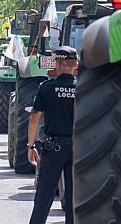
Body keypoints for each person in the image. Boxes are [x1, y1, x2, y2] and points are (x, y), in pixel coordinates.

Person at [27, 46, 78, 224]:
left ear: (57, 64)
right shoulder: (84, 88)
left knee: (43, 198)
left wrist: (31, 146)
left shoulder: (47, 88)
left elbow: (34, 118)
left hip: (53, 148)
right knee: (74, 200)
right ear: (75, 65)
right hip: (79, 149)